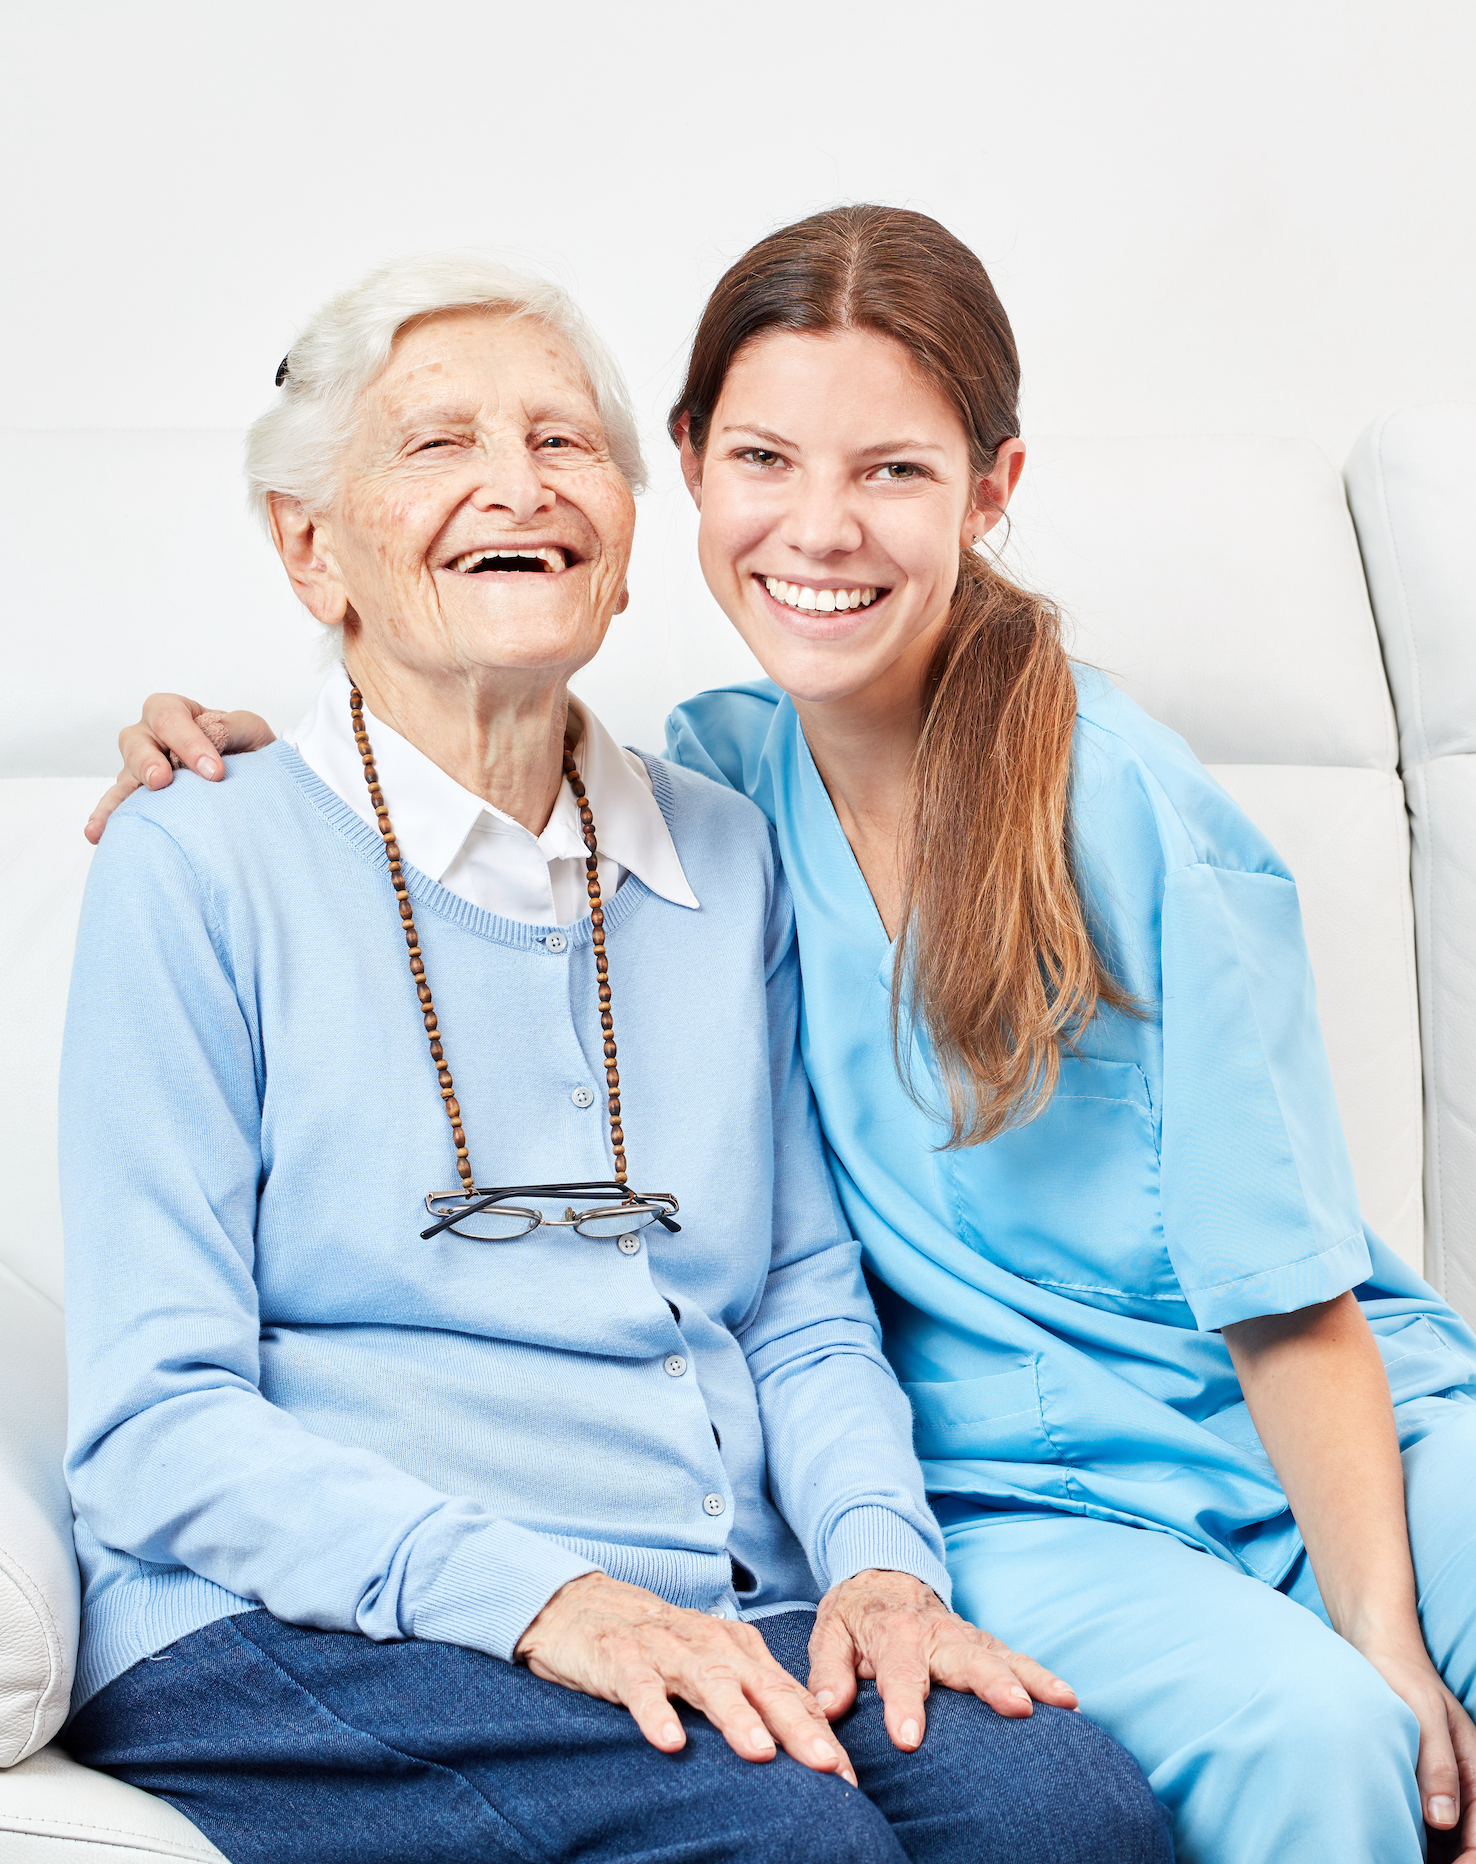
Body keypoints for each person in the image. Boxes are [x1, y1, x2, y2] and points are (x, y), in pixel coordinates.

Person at [94, 206, 1476, 1864]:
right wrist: (262, 773)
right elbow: (158, 1409)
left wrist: (887, 1561)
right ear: (311, 550)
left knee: (1072, 1806)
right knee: (895, 1820)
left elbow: (830, 1302)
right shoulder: (234, 846)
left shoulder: (747, 829)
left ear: (624, 513)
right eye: (441, 443)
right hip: (455, 1581)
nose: (516, 484)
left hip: (1153, 1458)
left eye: (557, 441)